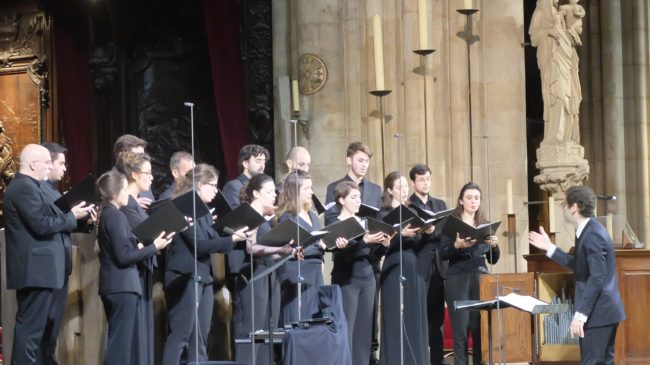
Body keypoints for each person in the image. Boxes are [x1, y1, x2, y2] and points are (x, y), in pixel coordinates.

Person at [4, 144, 93, 365]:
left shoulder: (36, 187)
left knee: (46, 333)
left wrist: (80, 218)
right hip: (36, 271)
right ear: (34, 164)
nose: (49, 167)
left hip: (47, 271)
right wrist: (72, 216)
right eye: (46, 163)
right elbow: (42, 224)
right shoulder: (23, 187)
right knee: (31, 332)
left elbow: (54, 220)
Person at [162, 164, 250, 365]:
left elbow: (210, 239)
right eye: (212, 186)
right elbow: (200, 245)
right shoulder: (182, 207)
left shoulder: (203, 211)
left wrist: (233, 233)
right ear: (199, 185)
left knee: (201, 334)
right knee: (182, 334)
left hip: (203, 276)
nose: (216, 191)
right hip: (184, 275)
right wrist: (233, 239)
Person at [529, 186, 626, 364]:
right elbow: (579, 266)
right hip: (604, 312)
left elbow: (597, 277)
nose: (562, 208)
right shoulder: (587, 231)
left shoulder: (592, 235)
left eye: (564, 204)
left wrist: (580, 314)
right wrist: (550, 248)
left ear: (574, 207)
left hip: (598, 313)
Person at [96, 170, 172, 365]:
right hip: (122, 285)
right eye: (124, 189)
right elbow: (123, 257)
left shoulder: (108, 214)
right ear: (115, 193)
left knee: (120, 343)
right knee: (120, 346)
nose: (127, 194)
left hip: (115, 285)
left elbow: (119, 249)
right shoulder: (116, 216)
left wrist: (137, 246)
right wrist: (154, 247)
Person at [323, 141, 382, 362]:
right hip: (347, 270)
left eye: (367, 161)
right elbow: (332, 229)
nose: (364, 165)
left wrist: (382, 241)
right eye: (360, 160)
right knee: (346, 327)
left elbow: (376, 223)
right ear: (349, 160)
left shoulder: (374, 190)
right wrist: (361, 238)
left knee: (365, 331)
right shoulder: (334, 189)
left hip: (369, 266)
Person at [40, 142, 97, 364]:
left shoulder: (52, 190)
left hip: (60, 266)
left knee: (53, 326)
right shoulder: (38, 189)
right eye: (61, 164)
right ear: (47, 162)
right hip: (46, 266)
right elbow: (46, 224)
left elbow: (63, 223)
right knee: (45, 326)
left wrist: (85, 221)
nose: (65, 169)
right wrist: (72, 214)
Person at [233, 173, 295, 364]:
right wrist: (281, 248)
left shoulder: (265, 219)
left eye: (273, 192)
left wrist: (288, 253)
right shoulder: (247, 215)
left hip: (269, 275)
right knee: (253, 331)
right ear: (256, 193)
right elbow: (251, 248)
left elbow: (269, 252)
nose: (273, 196)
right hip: (253, 278)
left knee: (268, 333)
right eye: (268, 192)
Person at [439, 182, 500, 365]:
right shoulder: (451, 225)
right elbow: (442, 253)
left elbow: (493, 259)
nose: (473, 202)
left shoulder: (484, 224)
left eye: (476, 198)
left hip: (480, 278)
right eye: (469, 198)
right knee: (461, 333)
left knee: (480, 332)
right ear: (461, 201)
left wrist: (495, 246)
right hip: (457, 278)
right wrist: (456, 246)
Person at [377, 171, 429, 365]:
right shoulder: (383, 214)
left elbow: (419, 244)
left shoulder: (413, 212)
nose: (405, 191)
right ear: (390, 190)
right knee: (394, 316)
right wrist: (401, 233)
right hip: (393, 264)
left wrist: (427, 232)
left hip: (413, 265)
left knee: (413, 317)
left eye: (406, 187)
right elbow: (381, 246)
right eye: (400, 187)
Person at [115, 151, 158, 365]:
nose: (152, 178)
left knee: (143, 330)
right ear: (134, 174)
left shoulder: (136, 204)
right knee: (134, 334)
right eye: (147, 173)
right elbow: (140, 234)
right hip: (133, 273)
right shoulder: (127, 204)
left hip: (143, 269)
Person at [408, 164, 448, 365]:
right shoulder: (408, 207)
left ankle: (437, 361)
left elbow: (445, 231)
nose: (426, 183)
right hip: (419, 266)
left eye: (428, 179)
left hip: (439, 266)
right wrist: (424, 233)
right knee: (419, 319)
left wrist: (435, 232)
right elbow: (408, 241)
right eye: (421, 180)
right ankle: (420, 360)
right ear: (413, 182)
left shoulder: (439, 204)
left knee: (437, 319)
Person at [277, 170, 324, 325]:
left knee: (315, 317)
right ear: (294, 192)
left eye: (311, 188)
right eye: (307, 188)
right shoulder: (288, 218)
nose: (311, 192)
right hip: (298, 273)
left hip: (315, 273)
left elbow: (318, 244)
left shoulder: (313, 216)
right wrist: (318, 248)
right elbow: (294, 250)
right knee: (299, 317)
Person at [221, 144, 270, 209]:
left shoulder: (262, 186)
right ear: (245, 164)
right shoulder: (233, 187)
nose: (262, 165)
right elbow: (234, 215)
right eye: (258, 161)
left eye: (264, 161)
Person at [113, 134, 155, 207]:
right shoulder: (111, 181)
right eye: (137, 156)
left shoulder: (144, 177)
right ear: (121, 155)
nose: (142, 159)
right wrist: (131, 204)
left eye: (142, 155)